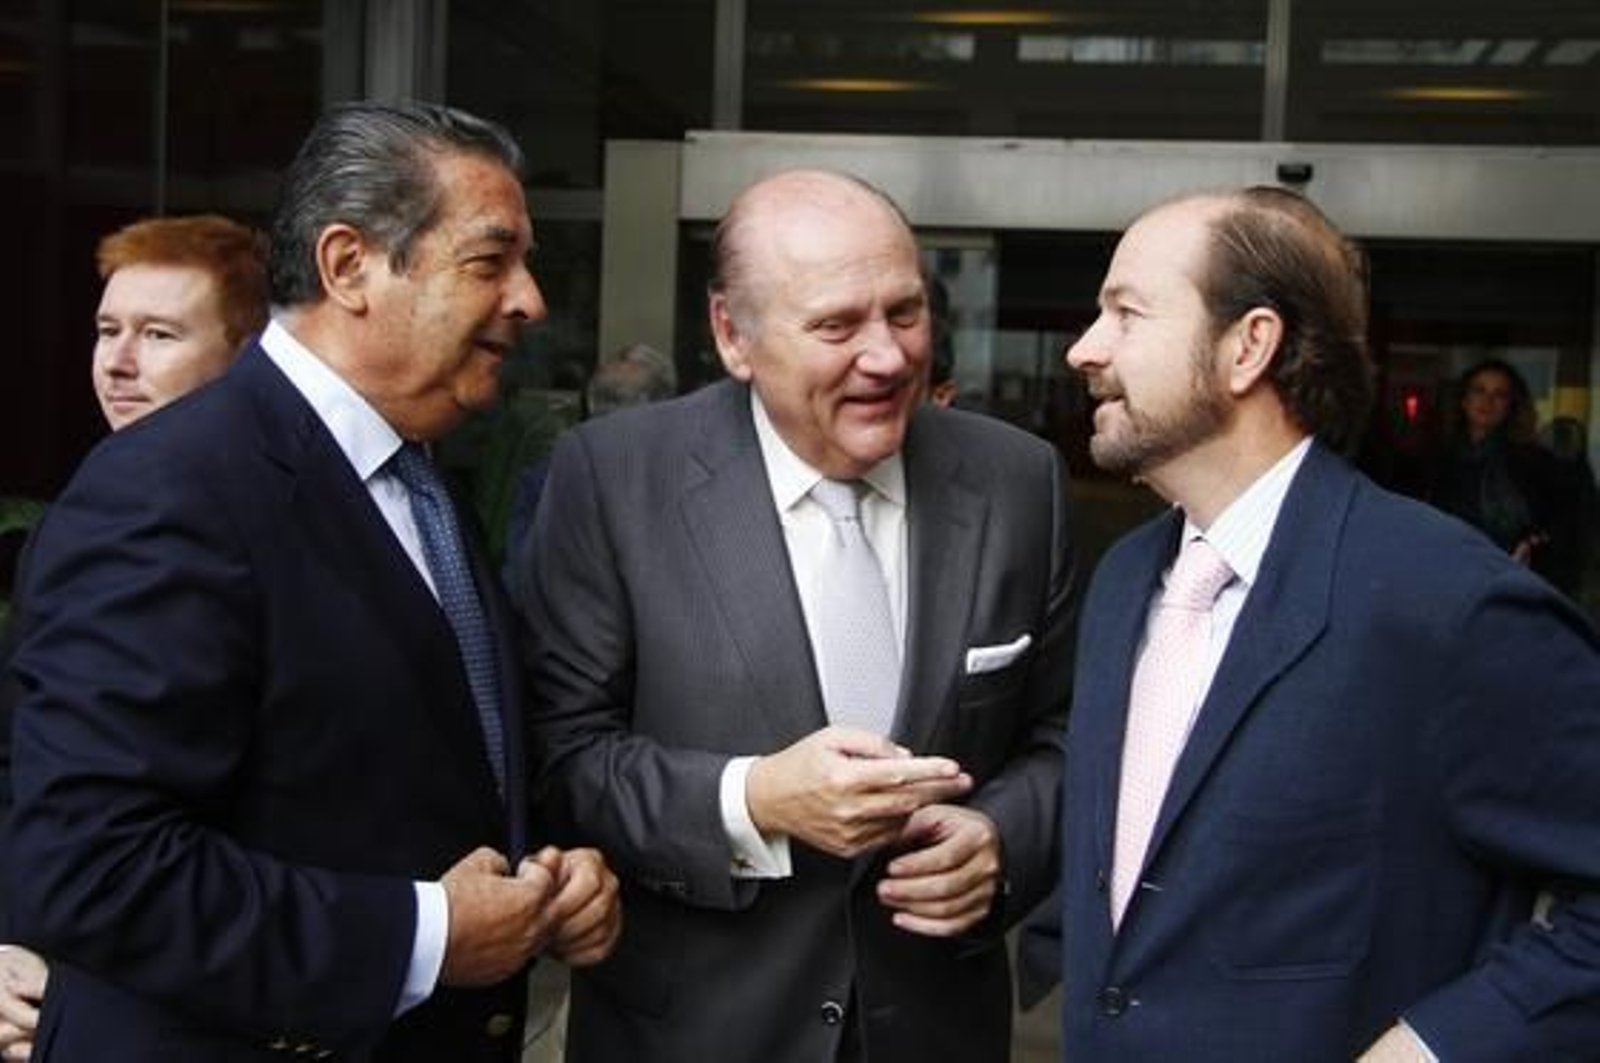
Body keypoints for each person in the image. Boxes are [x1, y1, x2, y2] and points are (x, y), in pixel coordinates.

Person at [5, 101, 620, 1061]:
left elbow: (396, 773)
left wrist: (546, 874)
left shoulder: (416, 479)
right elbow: (94, 864)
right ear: (348, 267)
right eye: (490, 260)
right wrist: (425, 935)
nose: (530, 299)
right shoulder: (170, 489)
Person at [513, 168, 1076, 1062]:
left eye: (905, 311)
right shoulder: (616, 480)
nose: (889, 356)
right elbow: (562, 756)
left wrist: (1002, 837)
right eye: (836, 325)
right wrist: (753, 800)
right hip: (693, 1030)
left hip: (934, 1029)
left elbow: (1066, 731)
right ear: (733, 335)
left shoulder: (1018, 482)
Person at [1058, 186, 1600, 1060]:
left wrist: (1434, 1044)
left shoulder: (1447, 601)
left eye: (1126, 312)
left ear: (1248, 346)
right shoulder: (1124, 582)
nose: (1085, 349)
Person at [0, 212, 270, 1061]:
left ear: (246, 355)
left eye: (158, 334)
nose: (117, 362)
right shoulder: (88, 513)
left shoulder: (278, 521)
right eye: (107, 330)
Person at [1427, 358, 1584, 595]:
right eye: (1479, 391)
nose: (1487, 401)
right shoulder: (1436, 461)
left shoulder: (1536, 463)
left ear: (1511, 405)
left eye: (1500, 394)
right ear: (1464, 400)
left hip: (1513, 585)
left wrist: (1533, 545)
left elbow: (1566, 523)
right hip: (1446, 582)